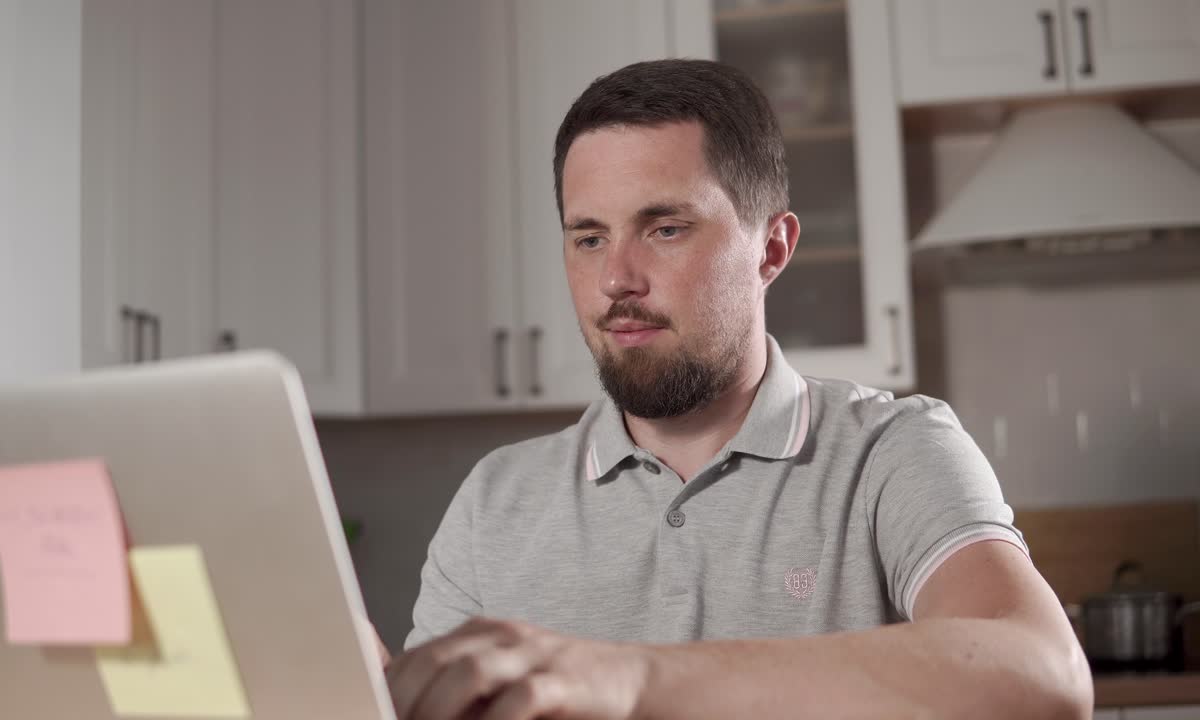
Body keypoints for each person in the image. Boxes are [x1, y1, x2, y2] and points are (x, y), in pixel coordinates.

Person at [375, 59, 1092, 720]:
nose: (616, 278)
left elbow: (1045, 676)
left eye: (665, 228)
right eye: (588, 237)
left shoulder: (893, 453)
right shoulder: (493, 502)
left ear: (772, 249)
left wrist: (626, 679)